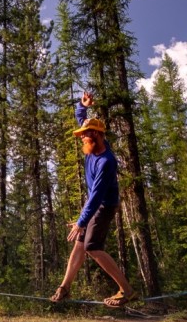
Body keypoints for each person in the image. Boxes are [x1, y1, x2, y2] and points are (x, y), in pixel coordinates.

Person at [50, 91, 139, 307]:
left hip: (105, 206)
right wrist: (83, 106)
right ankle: (64, 288)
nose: (81, 137)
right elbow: (82, 118)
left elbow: (98, 196)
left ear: (97, 136)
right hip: (94, 204)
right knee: (79, 246)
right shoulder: (92, 142)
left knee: (91, 246)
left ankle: (127, 291)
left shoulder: (106, 162)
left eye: (85, 135)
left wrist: (82, 221)